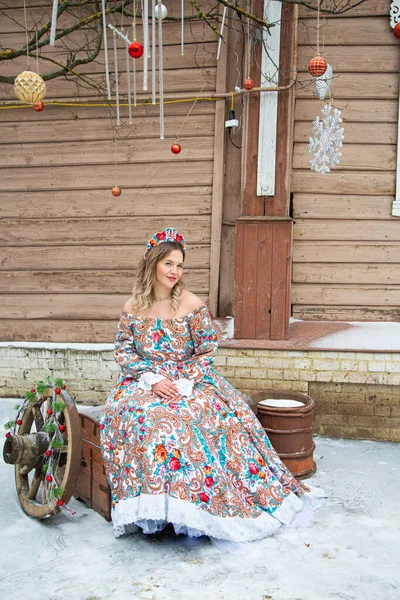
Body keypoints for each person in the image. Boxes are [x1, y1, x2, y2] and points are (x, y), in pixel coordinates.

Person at [100, 228, 325, 541]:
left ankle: (193, 507)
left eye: (179, 265)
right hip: (143, 380)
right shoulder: (132, 308)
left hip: (188, 379)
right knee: (141, 417)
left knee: (184, 418)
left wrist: (183, 382)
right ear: (152, 264)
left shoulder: (192, 304)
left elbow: (207, 350)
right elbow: (124, 351)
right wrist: (151, 380)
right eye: (168, 263)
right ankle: (152, 504)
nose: (174, 271)